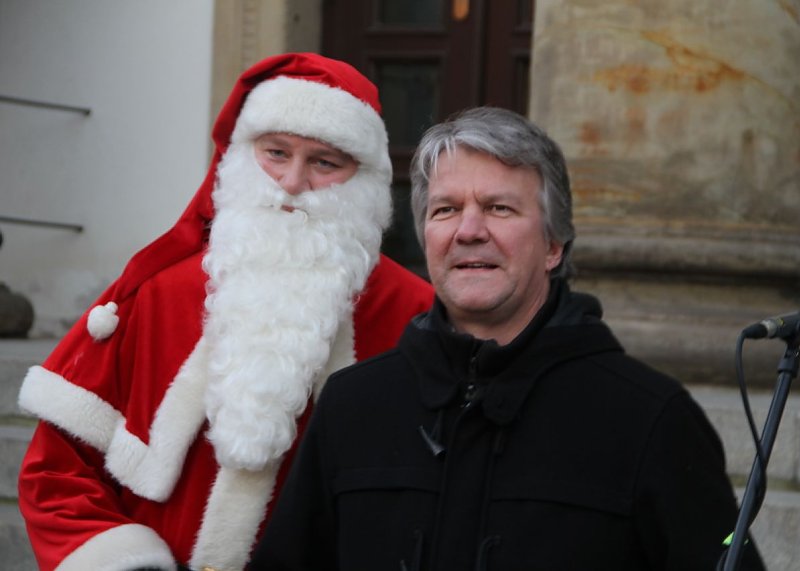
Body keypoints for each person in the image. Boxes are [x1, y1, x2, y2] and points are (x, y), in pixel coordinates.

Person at [249, 106, 766, 570]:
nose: (468, 230)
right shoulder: (354, 405)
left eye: (499, 208)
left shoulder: (649, 418)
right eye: (446, 209)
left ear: (553, 244)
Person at [17, 53, 434, 571]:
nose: (292, 181)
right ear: (240, 154)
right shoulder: (157, 293)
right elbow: (57, 473)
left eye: (325, 162)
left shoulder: (416, 314)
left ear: (364, 178)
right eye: (275, 152)